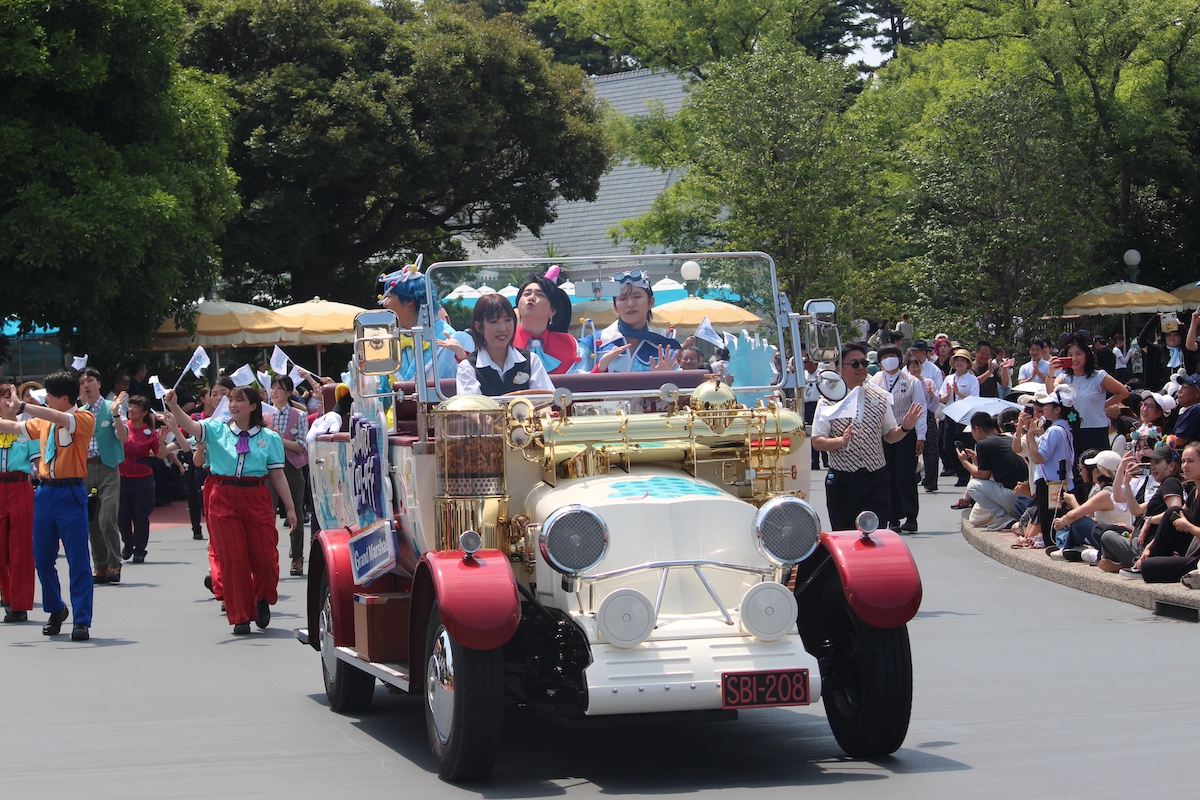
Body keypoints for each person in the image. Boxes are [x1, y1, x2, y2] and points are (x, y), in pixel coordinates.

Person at [165, 385, 295, 635]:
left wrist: (290, 508)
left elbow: (277, 475)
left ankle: (262, 598)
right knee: (233, 559)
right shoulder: (215, 430)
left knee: (265, 557)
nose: (233, 405)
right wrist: (173, 406)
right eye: (231, 400)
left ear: (253, 406)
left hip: (257, 495)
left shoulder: (270, 438)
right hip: (223, 496)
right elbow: (192, 428)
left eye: (239, 400)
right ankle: (241, 616)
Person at [0, 371, 98, 640]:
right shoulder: (44, 421)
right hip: (45, 494)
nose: (46, 402)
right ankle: (56, 609)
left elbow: (59, 418)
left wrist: (23, 406)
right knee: (42, 559)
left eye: (50, 397)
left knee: (78, 559)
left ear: (64, 398)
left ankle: (81, 619)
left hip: (71, 493)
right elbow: (16, 428)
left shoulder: (83, 418)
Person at [812, 343, 923, 531]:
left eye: (864, 363)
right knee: (845, 535)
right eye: (855, 364)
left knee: (876, 535)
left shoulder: (880, 397)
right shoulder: (828, 400)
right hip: (843, 479)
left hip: (875, 478)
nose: (861, 368)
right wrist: (841, 441)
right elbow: (817, 442)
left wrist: (905, 428)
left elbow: (889, 435)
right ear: (839, 368)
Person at [1050, 334, 1130, 481]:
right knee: (1075, 472)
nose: (1074, 358)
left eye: (1078, 354)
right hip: (1072, 430)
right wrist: (1050, 373)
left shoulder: (1098, 376)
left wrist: (1103, 404)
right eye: (1070, 355)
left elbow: (1123, 392)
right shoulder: (1065, 378)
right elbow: (1052, 392)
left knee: (1098, 472)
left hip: (1095, 430)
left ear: (1087, 355)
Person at [447, 294, 555, 396]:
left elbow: (544, 401)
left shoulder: (531, 361)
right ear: (479, 327)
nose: (503, 328)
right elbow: (473, 410)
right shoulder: (468, 368)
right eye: (494, 322)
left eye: (508, 320)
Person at [78, 367, 128, 585]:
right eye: (82, 383)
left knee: (107, 517)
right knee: (92, 521)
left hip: (108, 467)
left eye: (90, 381)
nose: (86, 385)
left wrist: (116, 414)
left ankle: (114, 563)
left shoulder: (111, 407)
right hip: (85, 470)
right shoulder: (78, 412)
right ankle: (100, 566)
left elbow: (124, 436)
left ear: (98, 384)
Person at [1099, 446, 1185, 571]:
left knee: (1107, 536)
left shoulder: (1170, 482)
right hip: (1143, 542)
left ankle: (1128, 562)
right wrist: (1126, 484)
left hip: (1149, 546)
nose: (1153, 467)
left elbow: (1175, 511)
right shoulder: (1164, 485)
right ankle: (1120, 562)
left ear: (1171, 466)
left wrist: (1150, 520)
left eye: (1158, 462)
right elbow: (1136, 510)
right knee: (1108, 531)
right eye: (1151, 464)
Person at [869, 345, 926, 532]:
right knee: (887, 477)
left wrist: (921, 436)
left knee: (905, 475)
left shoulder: (911, 381)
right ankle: (892, 518)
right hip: (882, 435)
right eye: (885, 357)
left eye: (893, 356)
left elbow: (921, 409)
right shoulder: (874, 381)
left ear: (900, 359)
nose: (889, 360)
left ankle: (911, 517)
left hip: (906, 433)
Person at [580, 271, 680, 373]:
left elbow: (679, 387)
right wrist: (600, 368)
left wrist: (664, 380)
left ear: (651, 302)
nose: (630, 304)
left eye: (637, 297)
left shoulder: (664, 351)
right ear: (615, 306)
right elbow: (576, 385)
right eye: (623, 298)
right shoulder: (592, 345)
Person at [1131, 441, 1200, 583]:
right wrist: (1150, 547)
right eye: (1183, 461)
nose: (1185, 466)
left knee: (1149, 567)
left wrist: (1188, 527)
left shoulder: (1170, 483)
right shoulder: (1194, 492)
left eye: (1190, 461)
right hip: (1191, 549)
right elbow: (1174, 513)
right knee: (1173, 512)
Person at [1021, 385, 1078, 554]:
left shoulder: (1054, 430)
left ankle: (1054, 546)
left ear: (1058, 409)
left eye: (1047, 406)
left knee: (1050, 524)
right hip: (1059, 480)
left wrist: (1030, 435)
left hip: (1051, 483)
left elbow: (1038, 457)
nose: (1043, 408)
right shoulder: (1064, 428)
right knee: (1055, 519)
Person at [377, 264, 458, 381]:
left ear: (409, 300)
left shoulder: (451, 341)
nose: (385, 304)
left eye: (389, 296)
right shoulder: (392, 342)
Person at [0, 383, 39, 623]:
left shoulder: (28, 428)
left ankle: (19, 604)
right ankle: (7, 593)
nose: (9, 400)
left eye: (13, 396)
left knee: (21, 548)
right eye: (5, 396)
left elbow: (39, 464)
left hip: (20, 486)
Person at [266, 376, 309, 577]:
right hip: (267, 468)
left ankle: (297, 557)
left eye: (279, 388)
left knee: (296, 513)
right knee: (266, 514)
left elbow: (301, 446)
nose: (274, 392)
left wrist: (278, 439)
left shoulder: (298, 415)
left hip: (291, 467)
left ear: (289, 393)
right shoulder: (264, 415)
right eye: (272, 387)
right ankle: (266, 558)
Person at [1049, 450, 1130, 553]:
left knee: (1080, 522)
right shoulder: (1113, 490)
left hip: (1114, 538)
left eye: (1093, 468)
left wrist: (1062, 522)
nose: (1091, 471)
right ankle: (1074, 549)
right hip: (1115, 536)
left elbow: (1075, 515)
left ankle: (1066, 548)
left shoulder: (1106, 493)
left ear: (1100, 471)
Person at [961, 412, 1028, 531]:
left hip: (1015, 497)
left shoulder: (983, 444)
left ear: (977, 429)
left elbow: (984, 476)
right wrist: (977, 461)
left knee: (972, 486)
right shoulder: (1005, 438)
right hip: (1026, 496)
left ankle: (1003, 517)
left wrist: (965, 463)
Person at [510, 267, 581, 375]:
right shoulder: (505, 340)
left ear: (552, 310)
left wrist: (601, 367)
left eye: (539, 294)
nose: (531, 298)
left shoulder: (569, 343)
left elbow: (582, 381)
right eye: (526, 294)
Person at [118, 396, 160, 564]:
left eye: (136, 407)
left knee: (140, 516)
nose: (131, 409)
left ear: (144, 412)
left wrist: (163, 443)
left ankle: (140, 549)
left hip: (142, 479)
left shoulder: (149, 433)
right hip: (121, 477)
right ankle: (128, 543)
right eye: (130, 406)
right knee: (122, 516)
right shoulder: (122, 428)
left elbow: (160, 453)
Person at [940, 348, 980, 488]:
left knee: (966, 446)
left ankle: (966, 475)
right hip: (951, 415)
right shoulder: (949, 378)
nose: (959, 363)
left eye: (963, 360)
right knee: (948, 445)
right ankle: (959, 472)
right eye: (957, 360)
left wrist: (959, 393)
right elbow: (943, 398)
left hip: (966, 416)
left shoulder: (972, 379)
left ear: (967, 363)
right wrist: (947, 394)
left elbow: (975, 399)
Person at [909, 340, 943, 492]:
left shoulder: (932, 373)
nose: (915, 368)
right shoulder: (905, 378)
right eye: (912, 365)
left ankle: (930, 480)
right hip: (910, 415)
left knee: (930, 449)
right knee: (910, 449)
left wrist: (931, 394)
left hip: (927, 414)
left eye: (918, 365)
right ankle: (912, 477)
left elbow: (938, 397)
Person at [1139, 313, 1195, 392]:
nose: (1172, 337)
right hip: (1160, 396)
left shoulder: (1188, 350)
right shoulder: (1157, 351)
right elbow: (1141, 341)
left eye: (1176, 334)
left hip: (1185, 394)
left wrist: (1183, 330)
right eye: (1168, 335)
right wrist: (1155, 320)